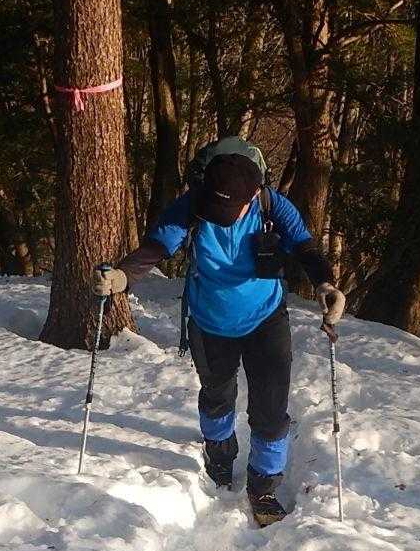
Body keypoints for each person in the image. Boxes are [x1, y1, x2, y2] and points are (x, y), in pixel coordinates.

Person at [91, 137, 345, 526]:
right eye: (214, 206)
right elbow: (157, 248)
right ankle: (220, 456)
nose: (219, 214)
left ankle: (263, 486)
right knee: (216, 397)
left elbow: (306, 249)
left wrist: (326, 286)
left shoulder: (272, 206)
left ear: (253, 194)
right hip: (209, 322)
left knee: (271, 409)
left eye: (229, 209)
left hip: (266, 319)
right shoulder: (193, 203)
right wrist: (122, 277)